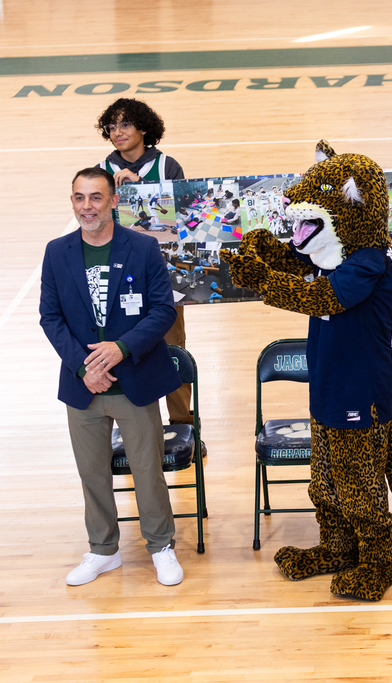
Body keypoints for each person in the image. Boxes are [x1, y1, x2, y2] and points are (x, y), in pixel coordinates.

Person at [39, 168, 184, 587]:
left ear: (114, 201)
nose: (88, 206)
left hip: (134, 380)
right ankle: (103, 551)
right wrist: (85, 368)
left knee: (147, 470)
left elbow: (161, 310)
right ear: (72, 202)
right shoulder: (57, 251)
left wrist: (120, 349)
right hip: (83, 386)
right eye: (80, 198)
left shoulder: (141, 248)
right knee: (92, 473)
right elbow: (51, 317)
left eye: (96, 198)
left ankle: (160, 546)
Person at [96, 98, 194, 431]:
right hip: (120, 280)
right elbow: (95, 224)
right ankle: (133, 428)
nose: (117, 132)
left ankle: (184, 424)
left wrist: (141, 190)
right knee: (124, 351)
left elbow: (184, 221)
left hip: (165, 277)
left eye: (125, 124)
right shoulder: (102, 171)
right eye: (112, 126)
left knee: (172, 349)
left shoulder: (167, 166)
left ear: (143, 127)